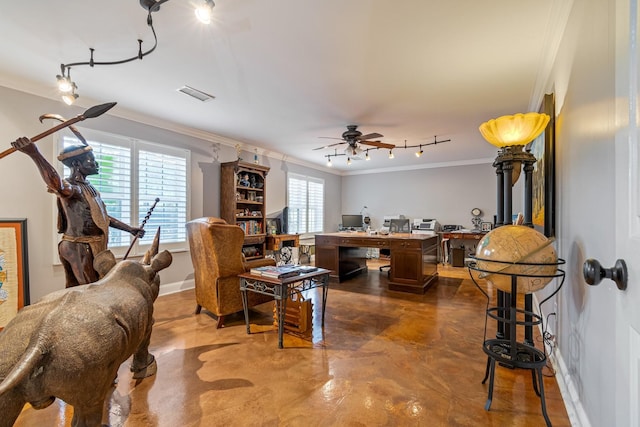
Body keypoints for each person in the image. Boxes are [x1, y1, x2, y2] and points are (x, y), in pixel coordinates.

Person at [11, 137, 144, 288]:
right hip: (79, 246)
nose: (96, 164)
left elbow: (101, 217)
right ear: (76, 164)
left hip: (89, 245)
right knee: (90, 291)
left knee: (80, 290)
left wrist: (130, 229)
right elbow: (57, 185)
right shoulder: (73, 188)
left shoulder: (89, 187)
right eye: (91, 160)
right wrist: (35, 154)